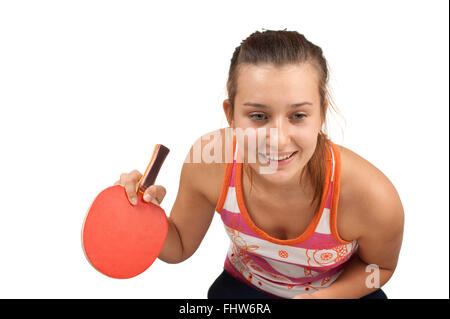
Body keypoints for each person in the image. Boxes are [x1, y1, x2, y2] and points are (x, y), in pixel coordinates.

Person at [114, 30, 404, 299]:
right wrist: (142, 216)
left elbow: (380, 270)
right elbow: (178, 246)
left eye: (298, 116)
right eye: (258, 116)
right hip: (246, 288)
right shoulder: (210, 162)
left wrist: (321, 298)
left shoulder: (371, 196)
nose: (277, 140)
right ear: (231, 115)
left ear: (321, 114)